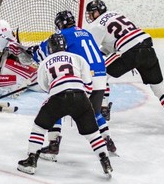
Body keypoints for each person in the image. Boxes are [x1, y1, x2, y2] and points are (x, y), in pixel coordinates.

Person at [85, 0, 164, 133]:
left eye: (91, 13)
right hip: (147, 48)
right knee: (158, 86)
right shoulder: (116, 14)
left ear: (97, 12)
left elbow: (91, 50)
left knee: (100, 74)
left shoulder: (96, 25)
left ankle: (103, 110)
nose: (90, 16)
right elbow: (112, 42)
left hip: (129, 52)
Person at [17, 33, 113, 176]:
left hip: (58, 97)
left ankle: (31, 161)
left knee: (39, 126)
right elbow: (88, 84)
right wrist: (80, 99)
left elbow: (45, 87)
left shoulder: (45, 62)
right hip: (81, 96)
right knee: (92, 133)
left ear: (50, 48)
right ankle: (105, 161)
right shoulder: (78, 58)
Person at [28, 10, 117, 161]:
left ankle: (53, 143)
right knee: (94, 112)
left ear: (60, 24)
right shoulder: (85, 33)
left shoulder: (64, 35)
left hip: (86, 75)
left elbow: (44, 52)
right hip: (102, 76)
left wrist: (31, 51)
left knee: (55, 104)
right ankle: (107, 139)